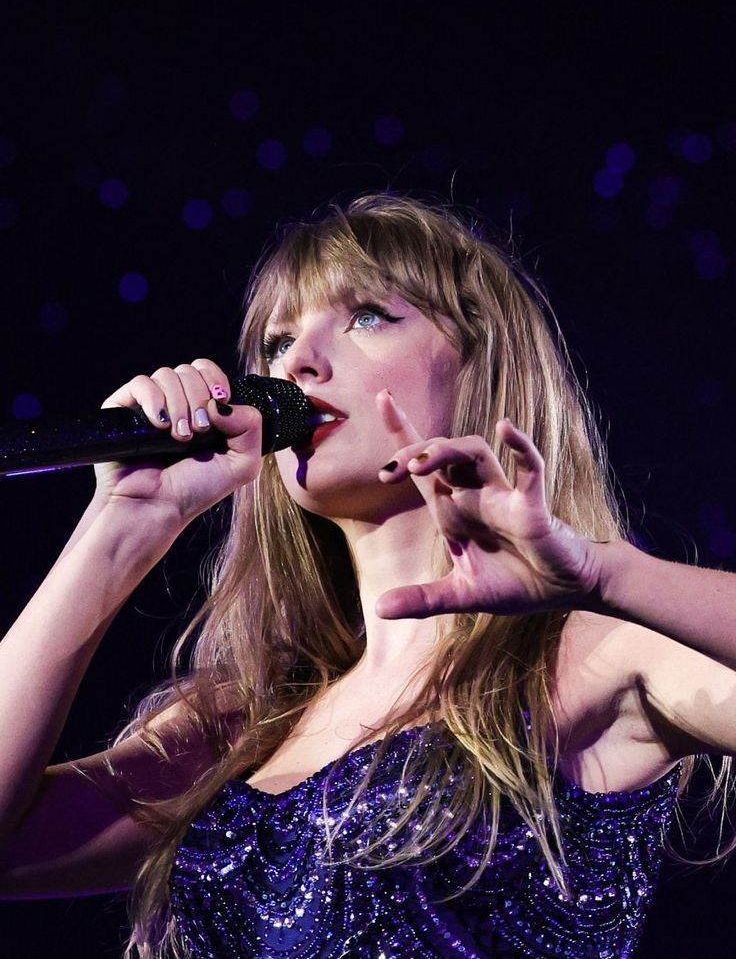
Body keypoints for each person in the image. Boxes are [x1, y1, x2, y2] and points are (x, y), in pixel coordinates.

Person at [1, 194, 735, 958]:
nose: (297, 362)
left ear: (482, 363)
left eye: (367, 316)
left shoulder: (587, 656)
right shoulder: (239, 723)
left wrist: (603, 573)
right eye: (279, 340)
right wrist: (121, 526)